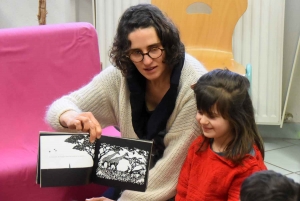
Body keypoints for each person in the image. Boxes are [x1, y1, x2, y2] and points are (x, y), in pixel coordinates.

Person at [45, 3, 207, 201]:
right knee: (56, 151)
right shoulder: (120, 75)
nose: (147, 61)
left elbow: (169, 174)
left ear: (168, 43)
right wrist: (70, 118)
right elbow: (59, 108)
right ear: (126, 53)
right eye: (136, 52)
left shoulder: (192, 85)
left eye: (154, 49)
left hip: (178, 185)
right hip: (135, 170)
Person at [175, 69, 267, 201]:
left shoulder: (247, 167)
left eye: (211, 116)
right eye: (200, 112)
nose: (202, 120)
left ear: (235, 118)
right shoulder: (198, 145)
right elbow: (183, 189)